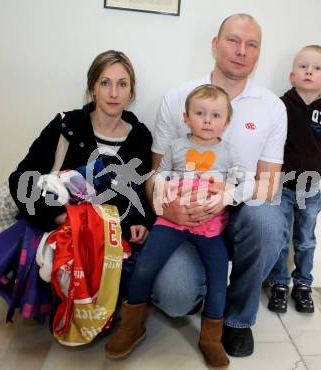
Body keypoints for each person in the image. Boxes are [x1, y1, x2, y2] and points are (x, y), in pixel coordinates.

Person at [148, 14, 287, 357]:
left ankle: (238, 319)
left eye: (251, 44)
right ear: (215, 44)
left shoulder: (271, 107)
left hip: (242, 209)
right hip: (189, 214)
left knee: (267, 221)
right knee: (175, 299)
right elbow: (154, 175)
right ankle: (206, 289)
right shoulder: (178, 98)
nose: (241, 51)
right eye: (233, 40)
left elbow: (269, 184)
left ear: (258, 54)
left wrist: (229, 194)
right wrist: (169, 207)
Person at [105, 84, 254, 367]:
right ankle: (131, 327)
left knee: (218, 278)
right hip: (171, 223)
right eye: (200, 113)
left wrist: (227, 194)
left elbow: (247, 183)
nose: (207, 120)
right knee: (145, 265)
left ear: (227, 121)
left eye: (215, 115)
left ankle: (211, 338)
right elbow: (158, 175)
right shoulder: (175, 146)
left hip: (210, 227)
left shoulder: (230, 152)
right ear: (186, 118)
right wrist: (166, 187)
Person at [8, 50, 155, 295]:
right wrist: (57, 217)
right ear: (93, 88)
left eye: (122, 84)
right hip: (62, 239)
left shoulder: (140, 137)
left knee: (136, 288)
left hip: (112, 246)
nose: (114, 93)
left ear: (131, 92)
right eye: (105, 83)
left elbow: (139, 192)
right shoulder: (66, 126)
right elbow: (22, 179)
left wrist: (141, 223)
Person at [267, 45, 321, 314]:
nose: (309, 71)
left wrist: (318, 169)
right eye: (303, 66)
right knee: (279, 236)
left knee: (306, 239)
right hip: (281, 186)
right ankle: (278, 283)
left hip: (310, 189)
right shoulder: (281, 106)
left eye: (317, 68)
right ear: (292, 75)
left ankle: (303, 284)